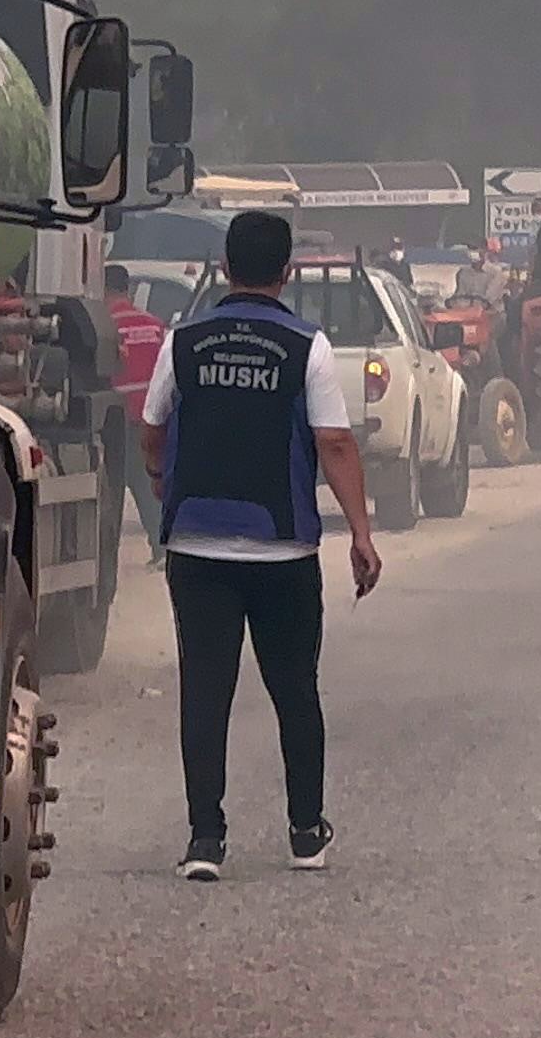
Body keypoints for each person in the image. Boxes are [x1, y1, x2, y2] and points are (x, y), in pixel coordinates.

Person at [138, 211, 382, 882]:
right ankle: (306, 832)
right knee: (295, 690)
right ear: (288, 273)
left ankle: (205, 840)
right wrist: (360, 533)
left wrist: (164, 481)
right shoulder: (308, 347)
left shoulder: (183, 340)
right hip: (283, 553)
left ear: (222, 268)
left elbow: (152, 425)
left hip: (197, 545)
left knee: (205, 690)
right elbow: (333, 442)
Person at [106, 264, 166, 546]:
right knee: (148, 479)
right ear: (127, 289)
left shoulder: (107, 325)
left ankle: (158, 543)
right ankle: (160, 543)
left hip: (119, 417)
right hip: (151, 415)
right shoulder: (153, 325)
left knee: (125, 483)